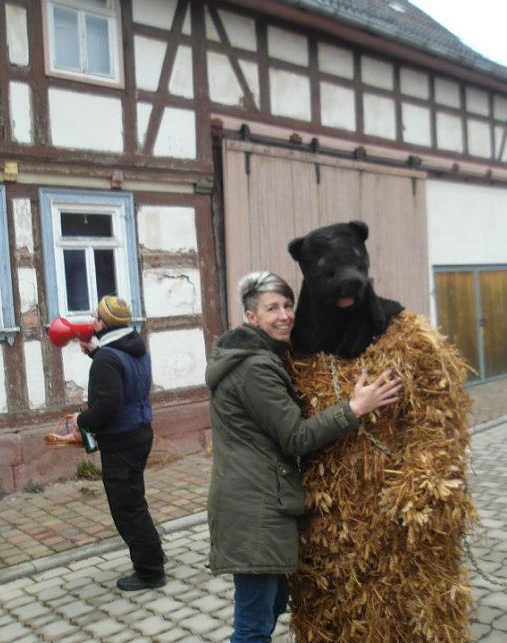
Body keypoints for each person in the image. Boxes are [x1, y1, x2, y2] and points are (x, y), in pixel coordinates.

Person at [205, 271, 403, 643]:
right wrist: (355, 407)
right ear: (251, 317)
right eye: (271, 308)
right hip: (255, 509)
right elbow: (296, 437)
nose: (284, 315)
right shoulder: (254, 368)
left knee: (273, 599)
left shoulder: (259, 355)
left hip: (254, 498)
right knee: (252, 625)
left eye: (287, 305)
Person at [69, 295, 166, 592]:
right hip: (140, 432)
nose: (92, 322)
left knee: (126, 508)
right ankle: (154, 554)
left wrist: (81, 420)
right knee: (135, 500)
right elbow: (122, 376)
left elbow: (108, 404)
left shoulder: (107, 358)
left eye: (95, 318)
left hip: (121, 440)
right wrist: (95, 353)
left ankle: (150, 572)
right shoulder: (136, 347)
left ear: (101, 323)